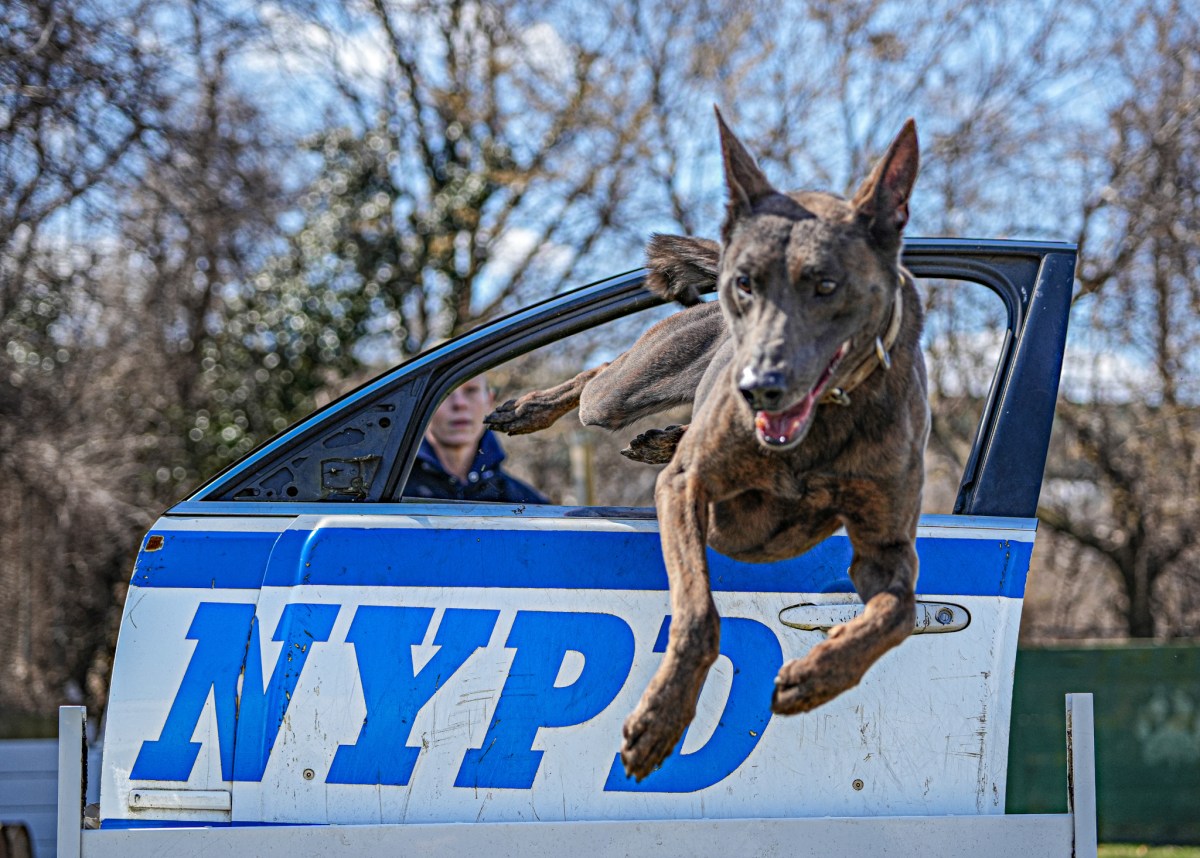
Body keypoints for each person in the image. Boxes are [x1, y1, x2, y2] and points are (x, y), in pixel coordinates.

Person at [403, 375, 549, 504]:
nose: (460, 403)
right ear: (421, 404)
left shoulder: (526, 506)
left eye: (471, 390)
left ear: (489, 401)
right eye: (444, 392)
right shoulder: (390, 494)